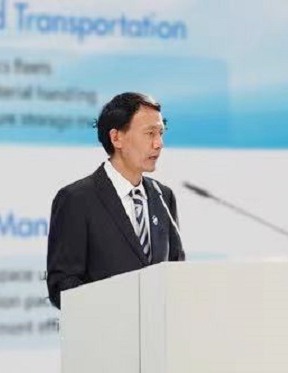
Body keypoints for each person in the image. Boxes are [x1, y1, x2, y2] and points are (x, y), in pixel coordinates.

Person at [46, 92, 185, 308]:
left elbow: (176, 273)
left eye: (160, 133)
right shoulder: (77, 199)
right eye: (150, 133)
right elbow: (62, 287)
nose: (159, 144)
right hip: (105, 327)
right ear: (116, 138)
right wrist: (117, 307)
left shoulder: (163, 197)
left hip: (157, 328)